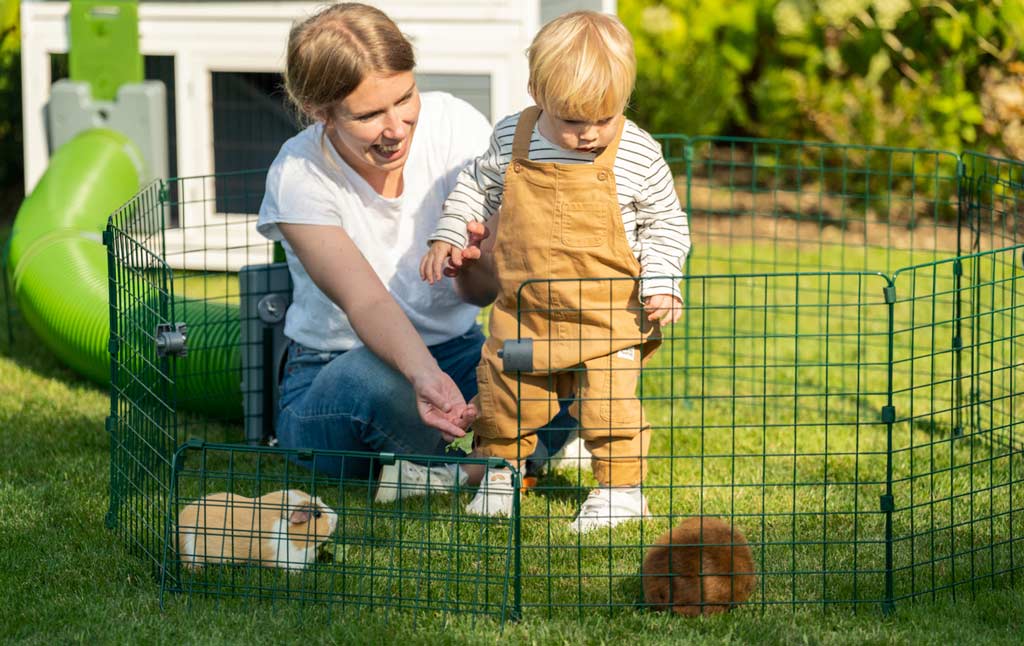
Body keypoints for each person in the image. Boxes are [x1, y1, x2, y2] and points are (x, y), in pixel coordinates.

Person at [256, 2, 572, 491]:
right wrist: (424, 376)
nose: (396, 128)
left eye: (405, 98)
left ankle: (451, 467)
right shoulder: (298, 173)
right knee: (368, 378)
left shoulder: (455, 126)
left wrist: (478, 262)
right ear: (322, 113)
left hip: (461, 352)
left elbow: (478, 293)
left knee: (570, 357)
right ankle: (494, 462)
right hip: (335, 369)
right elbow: (365, 299)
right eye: (368, 115)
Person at [419, 11, 692, 533]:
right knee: (507, 389)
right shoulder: (513, 139)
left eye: (604, 119)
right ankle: (502, 473)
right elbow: (475, 188)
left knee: (610, 404)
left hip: (609, 322)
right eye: (572, 121)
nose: (588, 135)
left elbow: (665, 224)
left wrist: (662, 282)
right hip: (530, 318)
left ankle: (620, 491)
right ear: (536, 93)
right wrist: (449, 233)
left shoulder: (637, 152)